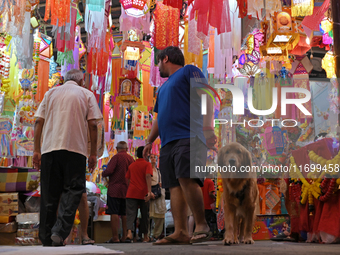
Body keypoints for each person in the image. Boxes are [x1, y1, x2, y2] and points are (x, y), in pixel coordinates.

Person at [143, 46, 216, 245]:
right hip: (167, 141)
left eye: (158, 62)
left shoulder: (189, 70)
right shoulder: (162, 88)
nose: (158, 67)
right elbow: (159, 118)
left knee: (186, 177)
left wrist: (208, 128)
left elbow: (206, 97)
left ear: (165, 58)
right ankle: (181, 231)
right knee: (173, 186)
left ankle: (201, 224)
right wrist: (149, 141)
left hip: (189, 135)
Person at [33, 69, 102, 246]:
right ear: (81, 81)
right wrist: (93, 152)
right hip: (75, 150)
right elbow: (93, 124)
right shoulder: (86, 94)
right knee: (74, 189)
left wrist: (36, 150)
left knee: (49, 193)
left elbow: (38, 121)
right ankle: (59, 230)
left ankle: (47, 236)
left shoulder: (50, 93)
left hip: (49, 149)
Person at [102, 141, 134, 243]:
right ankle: (125, 236)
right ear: (127, 149)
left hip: (114, 189)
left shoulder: (116, 158)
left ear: (116, 148)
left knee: (114, 212)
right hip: (126, 189)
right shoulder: (131, 159)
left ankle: (115, 237)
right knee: (124, 213)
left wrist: (104, 173)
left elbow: (109, 171)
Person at [125, 146, 153, 243]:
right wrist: (149, 192)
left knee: (131, 214)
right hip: (143, 193)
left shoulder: (131, 165)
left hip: (131, 192)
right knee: (145, 215)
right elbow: (148, 176)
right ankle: (145, 236)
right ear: (145, 154)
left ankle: (129, 233)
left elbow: (128, 180)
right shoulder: (147, 164)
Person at [148, 154, 166, 241]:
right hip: (149, 193)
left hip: (158, 194)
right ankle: (147, 235)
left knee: (160, 216)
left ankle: (156, 234)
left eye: (154, 157)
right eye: (151, 157)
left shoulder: (158, 171)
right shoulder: (147, 170)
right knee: (148, 216)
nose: (153, 159)